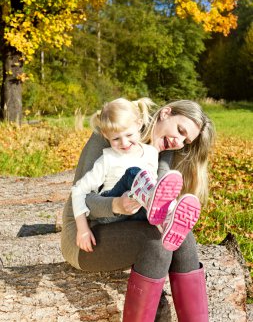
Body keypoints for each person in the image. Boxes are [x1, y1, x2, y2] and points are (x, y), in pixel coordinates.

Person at [61, 99, 215, 322]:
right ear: (165, 113)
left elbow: (160, 197)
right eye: (180, 130)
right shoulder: (114, 130)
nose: (178, 141)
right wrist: (116, 205)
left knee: (182, 237)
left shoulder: (164, 151)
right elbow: (82, 197)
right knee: (156, 244)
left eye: (185, 140)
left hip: (129, 224)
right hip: (86, 233)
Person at [71, 97, 199, 253]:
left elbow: (153, 184)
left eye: (129, 135)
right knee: (135, 173)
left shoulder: (151, 153)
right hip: (111, 212)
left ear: (138, 125)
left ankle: (166, 219)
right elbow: (79, 190)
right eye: (116, 139)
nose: (124, 143)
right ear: (106, 135)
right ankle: (162, 206)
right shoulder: (107, 158)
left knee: (153, 191)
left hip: (137, 211)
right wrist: (82, 229)